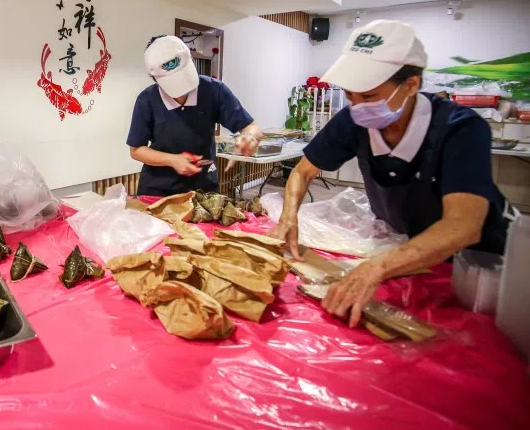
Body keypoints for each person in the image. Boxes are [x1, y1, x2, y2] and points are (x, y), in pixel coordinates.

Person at [270, 20, 510, 327]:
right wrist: (288, 217)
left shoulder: (460, 129)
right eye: (350, 95)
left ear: (411, 85)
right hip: (408, 253)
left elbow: (463, 226)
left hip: (475, 265)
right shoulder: (354, 120)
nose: (356, 106)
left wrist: (377, 267)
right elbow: (302, 172)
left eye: (369, 96)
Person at [127, 35, 263, 197]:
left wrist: (250, 137)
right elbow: (136, 150)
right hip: (158, 190)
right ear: (155, 78)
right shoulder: (147, 99)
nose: (182, 90)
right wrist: (172, 160)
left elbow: (252, 127)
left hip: (203, 189)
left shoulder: (214, 90)